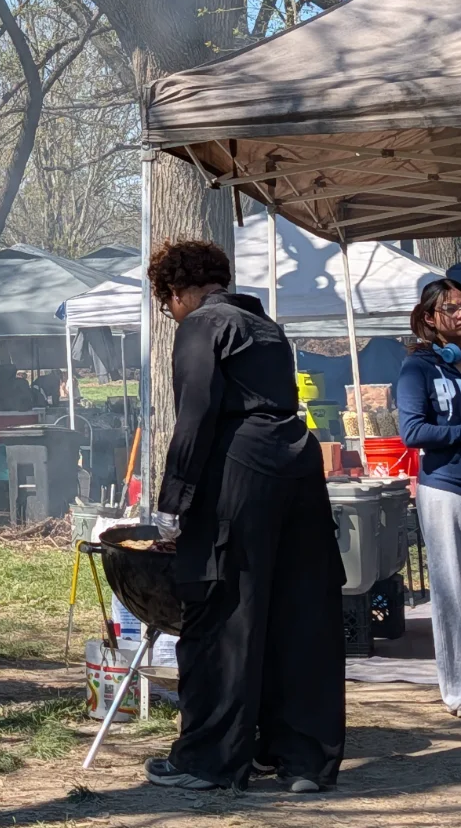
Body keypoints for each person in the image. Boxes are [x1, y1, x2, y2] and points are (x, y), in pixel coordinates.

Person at [144, 239, 344, 795]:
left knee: (224, 612)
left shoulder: (202, 325)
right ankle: (304, 760)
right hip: (298, 464)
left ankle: (209, 762)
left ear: (178, 291)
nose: (172, 313)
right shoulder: (267, 326)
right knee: (298, 613)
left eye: (168, 303)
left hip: (241, 468)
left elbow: (197, 414)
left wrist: (175, 507)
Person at [396, 277, 461, 715]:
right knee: (452, 590)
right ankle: (456, 688)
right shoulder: (419, 368)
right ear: (430, 318)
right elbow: (412, 431)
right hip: (445, 490)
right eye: (453, 308)